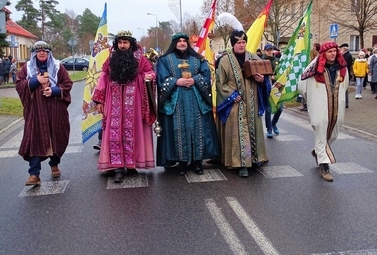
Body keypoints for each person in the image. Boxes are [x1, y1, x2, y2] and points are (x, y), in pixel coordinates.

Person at [91, 30, 156, 183]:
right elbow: (103, 77)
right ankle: (118, 168)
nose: (122, 45)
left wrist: (149, 77)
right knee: (115, 133)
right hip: (113, 102)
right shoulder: (111, 59)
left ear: (131, 44)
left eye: (125, 43)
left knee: (132, 133)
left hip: (133, 104)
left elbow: (151, 72)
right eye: (120, 43)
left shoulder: (140, 59)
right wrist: (99, 101)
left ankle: (131, 164)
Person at [156, 32, 220, 176]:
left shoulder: (198, 59)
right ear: (174, 44)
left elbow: (206, 75)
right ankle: (182, 162)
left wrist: (195, 79)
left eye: (184, 41)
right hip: (176, 101)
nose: (182, 43)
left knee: (198, 129)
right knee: (179, 130)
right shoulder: (164, 60)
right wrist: (175, 81)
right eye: (179, 41)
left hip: (195, 100)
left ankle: (197, 162)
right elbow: (161, 78)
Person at [15, 41, 73, 186]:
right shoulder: (27, 69)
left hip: (55, 110)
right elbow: (19, 84)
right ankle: (34, 174)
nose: (41, 53)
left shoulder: (59, 67)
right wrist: (35, 80)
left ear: (49, 53)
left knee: (57, 136)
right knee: (34, 138)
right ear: (34, 53)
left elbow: (67, 84)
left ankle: (54, 164)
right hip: (36, 111)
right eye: (38, 51)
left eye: (45, 51)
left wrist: (54, 90)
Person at [215, 29, 269, 178]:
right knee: (240, 132)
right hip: (235, 102)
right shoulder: (225, 60)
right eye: (238, 42)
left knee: (254, 128)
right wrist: (232, 95)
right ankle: (242, 163)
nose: (241, 45)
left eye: (243, 42)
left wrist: (262, 80)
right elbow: (220, 83)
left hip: (252, 101)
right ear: (233, 44)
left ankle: (256, 158)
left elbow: (266, 78)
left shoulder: (254, 58)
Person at [298, 41, 348, 182]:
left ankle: (318, 151)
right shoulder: (314, 68)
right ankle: (324, 166)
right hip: (319, 106)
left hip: (337, 106)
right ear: (324, 53)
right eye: (329, 51)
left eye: (334, 51)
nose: (332, 54)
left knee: (334, 132)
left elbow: (345, 85)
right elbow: (302, 84)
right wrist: (311, 99)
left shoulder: (342, 68)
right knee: (321, 128)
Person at [262, 44, 282, 138]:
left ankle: (274, 123)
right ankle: (269, 129)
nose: (270, 51)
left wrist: (277, 77)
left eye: (271, 50)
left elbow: (281, 73)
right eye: (268, 50)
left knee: (280, 108)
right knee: (269, 110)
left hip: (277, 87)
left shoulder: (277, 61)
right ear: (264, 51)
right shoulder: (261, 61)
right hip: (267, 88)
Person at [339, 43, 352, 108]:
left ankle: (346, 103)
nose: (340, 49)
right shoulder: (343, 55)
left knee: (345, 88)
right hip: (343, 73)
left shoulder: (348, 55)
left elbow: (346, 65)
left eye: (341, 48)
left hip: (346, 73)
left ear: (344, 49)